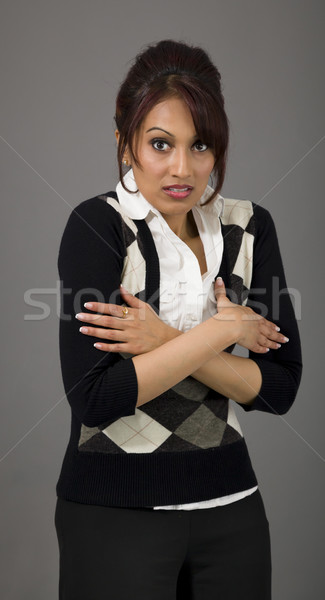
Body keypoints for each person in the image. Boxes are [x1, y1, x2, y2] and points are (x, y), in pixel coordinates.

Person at [55, 39, 302, 600]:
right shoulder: (99, 225)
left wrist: (163, 340)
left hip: (233, 512)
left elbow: (280, 389)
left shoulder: (249, 227)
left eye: (201, 146)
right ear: (125, 145)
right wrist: (225, 329)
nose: (182, 168)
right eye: (160, 144)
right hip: (114, 514)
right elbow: (96, 398)